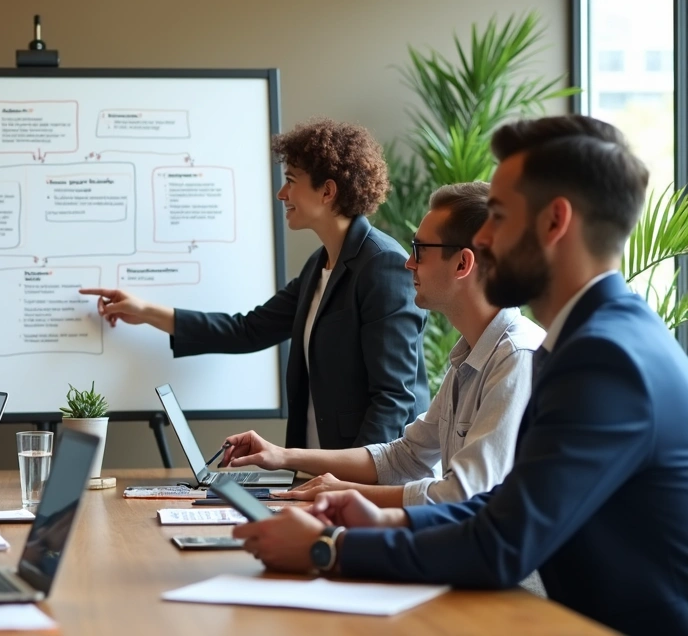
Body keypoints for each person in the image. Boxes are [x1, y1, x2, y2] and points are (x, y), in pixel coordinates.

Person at [230, 115, 688, 635]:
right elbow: (508, 502)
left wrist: (328, 547)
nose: (485, 239)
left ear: (554, 222)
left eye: (498, 214)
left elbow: (502, 544)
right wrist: (386, 519)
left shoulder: (606, 357)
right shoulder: (592, 338)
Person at [81, 118, 428, 449]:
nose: (281, 193)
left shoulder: (382, 266)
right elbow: (246, 330)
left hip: (360, 487)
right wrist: (144, 311)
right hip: (320, 476)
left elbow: (393, 399)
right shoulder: (318, 266)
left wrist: (352, 485)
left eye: (291, 180)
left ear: (327, 192)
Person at [220, 182, 544, 507]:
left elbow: (463, 494)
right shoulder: (470, 356)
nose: (409, 263)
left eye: (420, 250)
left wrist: (345, 493)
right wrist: (281, 456)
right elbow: (403, 456)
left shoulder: (516, 358)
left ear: (462, 264)